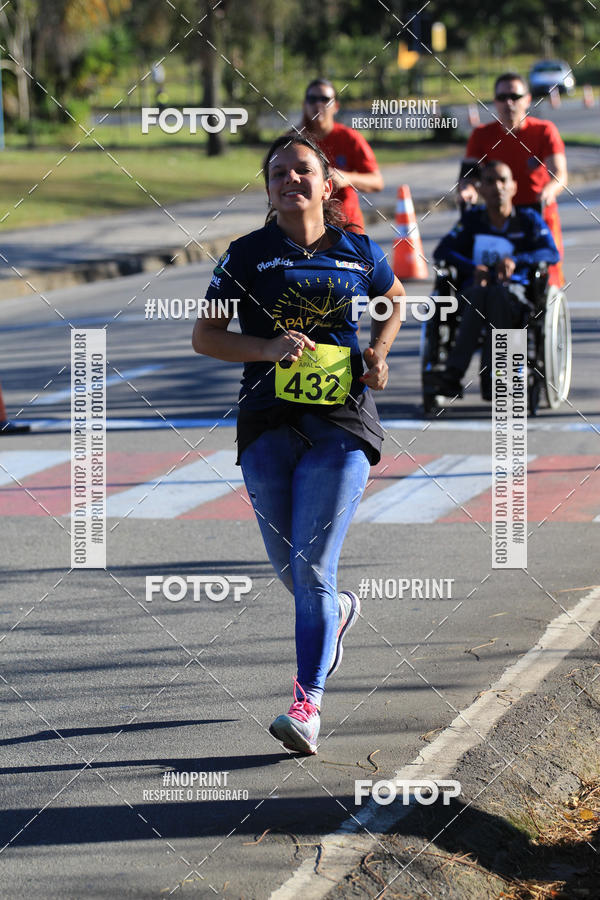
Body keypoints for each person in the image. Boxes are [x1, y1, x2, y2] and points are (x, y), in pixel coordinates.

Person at [192, 135, 403, 755]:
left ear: (329, 181)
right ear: (268, 188)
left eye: (303, 170)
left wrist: (380, 353)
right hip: (265, 422)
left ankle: (306, 704)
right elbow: (206, 336)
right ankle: (336, 613)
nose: (291, 180)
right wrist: (266, 349)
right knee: (293, 571)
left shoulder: (358, 249)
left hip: (340, 422)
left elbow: (393, 304)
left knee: (311, 566)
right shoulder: (246, 254)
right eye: (279, 172)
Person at [434, 160, 559, 401]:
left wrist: (516, 260)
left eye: (503, 180)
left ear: (513, 186)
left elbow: (551, 253)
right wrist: (473, 267)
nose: (497, 187)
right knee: (484, 293)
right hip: (475, 292)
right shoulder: (473, 220)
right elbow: (443, 251)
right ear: (481, 189)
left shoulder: (528, 219)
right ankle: (487, 375)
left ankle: (460, 373)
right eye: (490, 181)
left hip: (517, 294)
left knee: (498, 293)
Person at [457, 72, 567, 286]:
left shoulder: (544, 131)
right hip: (497, 215)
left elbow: (560, 175)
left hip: (536, 212)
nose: (509, 103)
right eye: (502, 97)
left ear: (527, 99)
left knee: (545, 275)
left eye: (515, 97)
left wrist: (549, 190)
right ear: (495, 102)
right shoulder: (481, 134)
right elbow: (466, 177)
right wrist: (467, 189)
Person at [298, 78, 383, 233]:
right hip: (306, 228)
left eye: (325, 99)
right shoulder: (295, 141)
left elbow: (377, 182)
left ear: (336, 106)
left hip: (347, 228)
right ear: (304, 105)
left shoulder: (350, 138)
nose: (318, 104)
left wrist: (346, 178)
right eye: (312, 99)